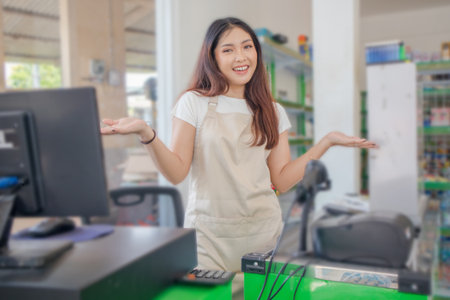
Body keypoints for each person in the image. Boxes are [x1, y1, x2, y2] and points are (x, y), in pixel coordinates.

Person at [101, 17, 377, 273]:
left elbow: (281, 180)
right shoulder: (193, 103)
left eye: (247, 47)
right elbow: (176, 173)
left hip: (262, 234)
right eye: (228, 50)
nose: (241, 56)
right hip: (208, 238)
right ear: (213, 57)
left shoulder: (272, 110)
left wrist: (325, 143)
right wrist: (146, 132)